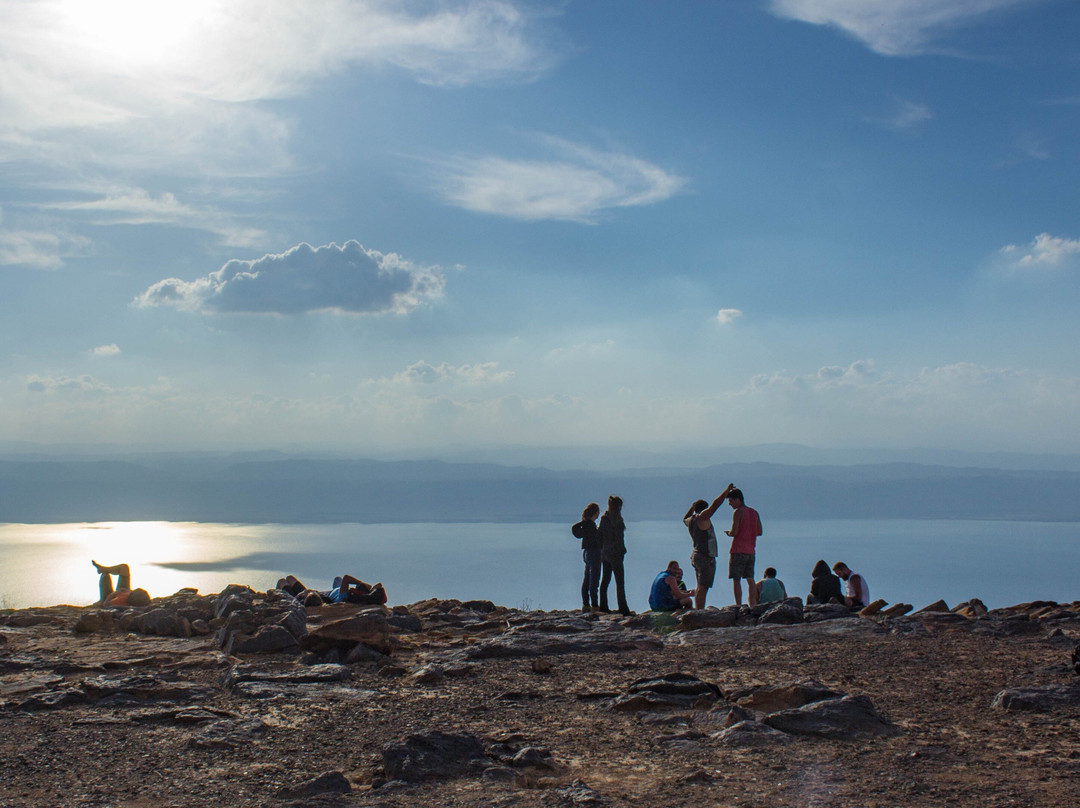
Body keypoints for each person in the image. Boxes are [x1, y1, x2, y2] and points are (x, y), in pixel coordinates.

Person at [682, 484, 733, 609]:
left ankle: (698, 609)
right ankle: (699, 611)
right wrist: (726, 491)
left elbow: (684, 518)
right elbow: (715, 505)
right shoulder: (702, 517)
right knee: (703, 587)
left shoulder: (690, 520)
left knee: (700, 585)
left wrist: (692, 507)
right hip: (705, 556)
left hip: (696, 555)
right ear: (704, 509)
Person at [724, 487, 762, 606]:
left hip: (738, 550)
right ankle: (753, 604)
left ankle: (738, 604)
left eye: (731, 501)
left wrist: (729, 533)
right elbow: (759, 531)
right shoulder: (754, 512)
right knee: (750, 578)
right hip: (751, 550)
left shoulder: (738, 512)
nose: (730, 504)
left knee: (736, 579)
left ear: (737, 499)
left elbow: (734, 531)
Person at [598, 495, 631, 615]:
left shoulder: (604, 519)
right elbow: (619, 539)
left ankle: (603, 606)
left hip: (606, 554)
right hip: (616, 554)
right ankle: (623, 608)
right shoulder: (617, 520)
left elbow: (599, 536)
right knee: (619, 582)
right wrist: (622, 551)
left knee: (605, 580)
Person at [572, 502, 602, 611]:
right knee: (594, 579)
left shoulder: (586, 524)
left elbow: (575, 529)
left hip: (586, 553)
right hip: (594, 553)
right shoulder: (590, 525)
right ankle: (594, 605)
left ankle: (586, 604)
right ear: (595, 513)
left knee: (587, 579)